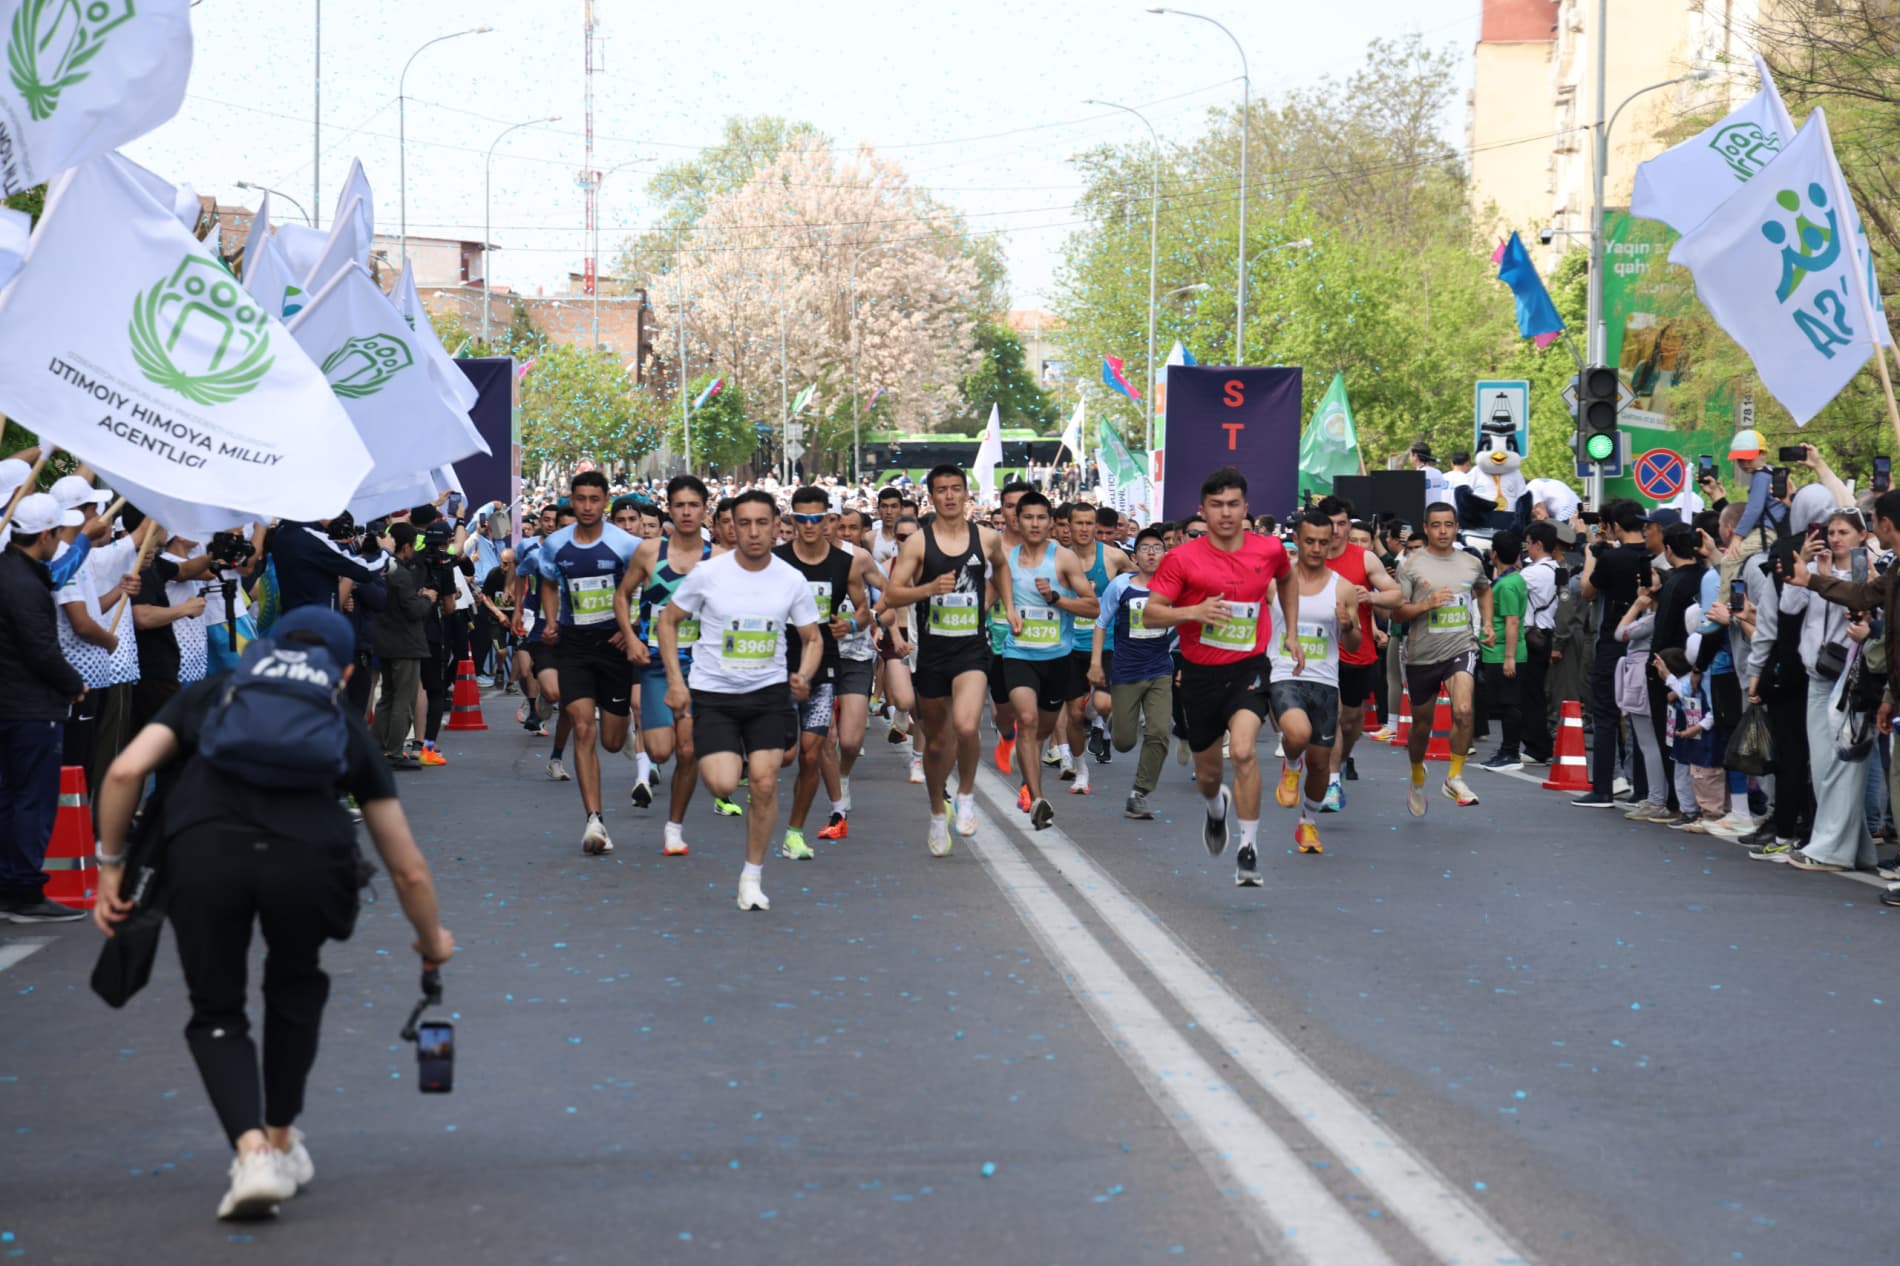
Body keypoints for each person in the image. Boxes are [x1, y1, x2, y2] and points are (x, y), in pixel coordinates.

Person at [91, 607, 454, 1223]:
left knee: (216, 1008)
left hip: (203, 853)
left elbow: (126, 769)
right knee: (294, 984)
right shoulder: (343, 724)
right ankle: (282, 1137)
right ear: (341, 670)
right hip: (307, 860)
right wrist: (431, 940)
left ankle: (251, 1151)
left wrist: (110, 865)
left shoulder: (211, 694)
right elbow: (407, 867)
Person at [657, 490, 822, 912]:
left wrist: (803, 675)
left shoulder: (790, 579)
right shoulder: (709, 574)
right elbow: (668, 621)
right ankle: (733, 764)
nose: (752, 532)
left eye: (761, 523)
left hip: (768, 695)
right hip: (715, 695)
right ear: (731, 526)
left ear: (774, 526)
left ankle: (752, 876)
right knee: (723, 783)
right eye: (743, 523)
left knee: (765, 783)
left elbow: (812, 637)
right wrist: (676, 682)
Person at [1142, 467, 1301, 887]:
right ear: (1202, 510)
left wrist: (1293, 633)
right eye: (1216, 505)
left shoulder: (1269, 549)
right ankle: (1216, 809)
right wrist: (1192, 612)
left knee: (1245, 751)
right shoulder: (1181, 559)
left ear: (1246, 508)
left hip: (1248, 667)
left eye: (1233, 504)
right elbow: (1150, 612)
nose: (1225, 513)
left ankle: (1248, 849)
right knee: (1209, 774)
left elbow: (1287, 579)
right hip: (1199, 673)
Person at [880, 465, 1019, 856]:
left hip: (972, 650)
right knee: (939, 744)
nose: (950, 496)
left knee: (966, 724)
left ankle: (968, 794)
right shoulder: (919, 545)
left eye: (956, 489)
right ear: (932, 497)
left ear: (966, 494)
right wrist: (927, 589)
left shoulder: (986, 538)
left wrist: (1008, 607)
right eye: (942, 490)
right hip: (933, 654)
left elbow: (1002, 569)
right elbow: (892, 594)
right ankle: (937, 815)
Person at [536, 471, 641, 855]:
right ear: (572, 499)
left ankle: (623, 728)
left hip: (613, 644)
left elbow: (647, 587)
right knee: (582, 728)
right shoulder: (555, 543)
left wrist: (631, 629)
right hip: (574, 644)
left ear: (605, 501)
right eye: (580, 499)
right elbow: (547, 582)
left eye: (594, 499)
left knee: (611, 742)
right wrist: (550, 620)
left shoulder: (625, 544)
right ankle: (594, 819)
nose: (586, 506)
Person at [614, 475, 717, 855]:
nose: (687, 512)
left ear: (704, 509)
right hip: (655, 660)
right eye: (680, 505)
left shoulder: (718, 558)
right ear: (669, 510)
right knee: (660, 751)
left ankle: (675, 826)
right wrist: (632, 637)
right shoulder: (648, 552)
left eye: (694, 505)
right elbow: (622, 596)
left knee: (688, 751)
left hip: (701, 664)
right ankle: (652, 752)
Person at [0, 494, 89, 924]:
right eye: (59, 533)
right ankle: (23, 887)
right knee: (31, 800)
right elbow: (40, 647)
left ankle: (10, 883)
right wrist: (72, 684)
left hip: (13, 702)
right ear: (47, 534)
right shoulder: (24, 581)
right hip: (29, 706)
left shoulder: (10, 572)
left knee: (10, 798)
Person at [772, 485, 870, 860]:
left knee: (811, 754)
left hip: (824, 663)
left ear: (828, 519)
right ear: (792, 520)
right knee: (783, 755)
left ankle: (794, 832)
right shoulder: (775, 559)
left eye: (817, 519)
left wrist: (852, 624)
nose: (809, 526)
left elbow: (862, 608)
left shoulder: (845, 564)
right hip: (777, 662)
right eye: (802, 519)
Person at [998, 491, 1098, 830]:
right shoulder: (1006, 559)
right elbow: (990, 595)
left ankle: (1029, 774)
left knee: (1040, 730)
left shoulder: (1064, 559)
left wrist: (1055, 598)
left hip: (1057, 658)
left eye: (1042, 517)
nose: (1035, 523)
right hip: (1018, 654)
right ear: (1018, 520)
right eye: (1028, 517)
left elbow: (1092, 607)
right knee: (1026, 720)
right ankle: (1038, 798)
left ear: (1050, 522)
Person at [1268, 510, 1362, 863]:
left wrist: (1349, 623)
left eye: (1325, 542)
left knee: (1321, 764)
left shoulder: (1343, 588)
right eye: (1310, 541)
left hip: (1324, 681)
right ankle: (1291, 765)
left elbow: (1353, 644)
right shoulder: (1276, 582)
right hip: (1284, 674)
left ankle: (1307, 821)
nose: (1317, 548)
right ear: (1297, 539)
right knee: (1297, 733)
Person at [1392, 502, 1493, 815]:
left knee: (1463, 711)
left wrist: (1487, 622)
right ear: (1426, 528)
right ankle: (1417, 773)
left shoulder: (1470, 562)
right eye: (1436, 525)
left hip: (1460, 647)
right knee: (1422, 725)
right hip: (1422, 654)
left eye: (1448, 524)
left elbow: (1484, 590)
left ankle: (1454, 776)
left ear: (1457, 526)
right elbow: (1397, 611)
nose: (1443, 531)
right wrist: (1427, 605)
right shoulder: (1411, 565)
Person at [1320, 494, 1400, 809]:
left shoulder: (1364, 559)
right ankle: (1332, 783)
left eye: (1342, 524)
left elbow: (1396, 595)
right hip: (1322, 653)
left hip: (1358, 651)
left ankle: (1343, 756)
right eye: (1331, 524)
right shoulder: (1311, 556)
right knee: (1334, 715)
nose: (1337, 530)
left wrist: (1371, 598)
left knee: (1351, 721)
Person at [1089, 526, 1173, 820]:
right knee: (1124, 742)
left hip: (1160, 669)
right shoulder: (1121, 585)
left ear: (1165, 554)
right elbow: (1101, 623)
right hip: (1126, 670)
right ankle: (1113, 720)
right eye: (1145, 548)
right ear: (1135, 556)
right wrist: (1096, 663)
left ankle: (1140, 793)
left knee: (1160, 732)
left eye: (1157, 548)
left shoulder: (1173, 587)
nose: (1151, 553)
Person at [1573, 503, 1649, 808]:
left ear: (1615, 524)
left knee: (1605, 713)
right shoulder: (1651, 555)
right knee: (1641, 717)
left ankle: (1603, 787)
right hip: (1644, 639)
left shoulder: (1612, 558)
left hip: (1612, 639)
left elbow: (1587, 590)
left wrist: (1591, 557)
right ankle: (1645, 788)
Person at [370, 523, 435, 770]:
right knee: (403, 699)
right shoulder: (401, 573)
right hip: (405, 644)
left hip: (384, 642)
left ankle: (377, 746)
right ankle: (394, 751)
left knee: (387, 696)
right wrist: (427, 599)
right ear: (405, 546)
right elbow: (413, 610)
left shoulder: (382, 570)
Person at [1478, 529, 1528, 771]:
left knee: (1510, 704)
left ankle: (1510, 753)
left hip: (1504, 653)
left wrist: (1509, 657)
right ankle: (1507, 751)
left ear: (1493, 553)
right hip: (1499, 651)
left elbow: (1512, 621)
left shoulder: (1508, 584)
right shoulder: (1511, 579)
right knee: (1508, 703)